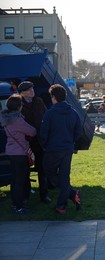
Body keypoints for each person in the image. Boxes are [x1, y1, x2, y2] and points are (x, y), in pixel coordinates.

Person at [40, 84, 82, 214]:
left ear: (53, 97)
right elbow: (78, 131)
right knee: (64, 177)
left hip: (53, 149)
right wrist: (72, 142)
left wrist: (44, 145)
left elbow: (43, 133)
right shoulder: (73, 113)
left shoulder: (50, 113)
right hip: (68, 148)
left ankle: (71, 195)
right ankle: (61, 205)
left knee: (48, 171)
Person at [0, 94, 37, 214]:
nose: (22, 106)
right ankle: (19, 206)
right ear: (18, 107)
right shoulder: (18, 120)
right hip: (20, 153)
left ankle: (14, 203)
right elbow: (32, 131)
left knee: (14, 179)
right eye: (21, 104)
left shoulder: (5, 119)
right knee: (20, 181)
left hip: (10, 152)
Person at [18, 81, 51, 204]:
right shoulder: (18, 103)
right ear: (22, 93)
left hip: (40, 140)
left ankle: (44, 195)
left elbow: (47, 116)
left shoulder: (39, 101)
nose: (32, 91)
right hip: (25, 142)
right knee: (25, 170)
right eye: (28, 89)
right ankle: (26, 195)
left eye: (32, 88)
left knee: (42, 169)